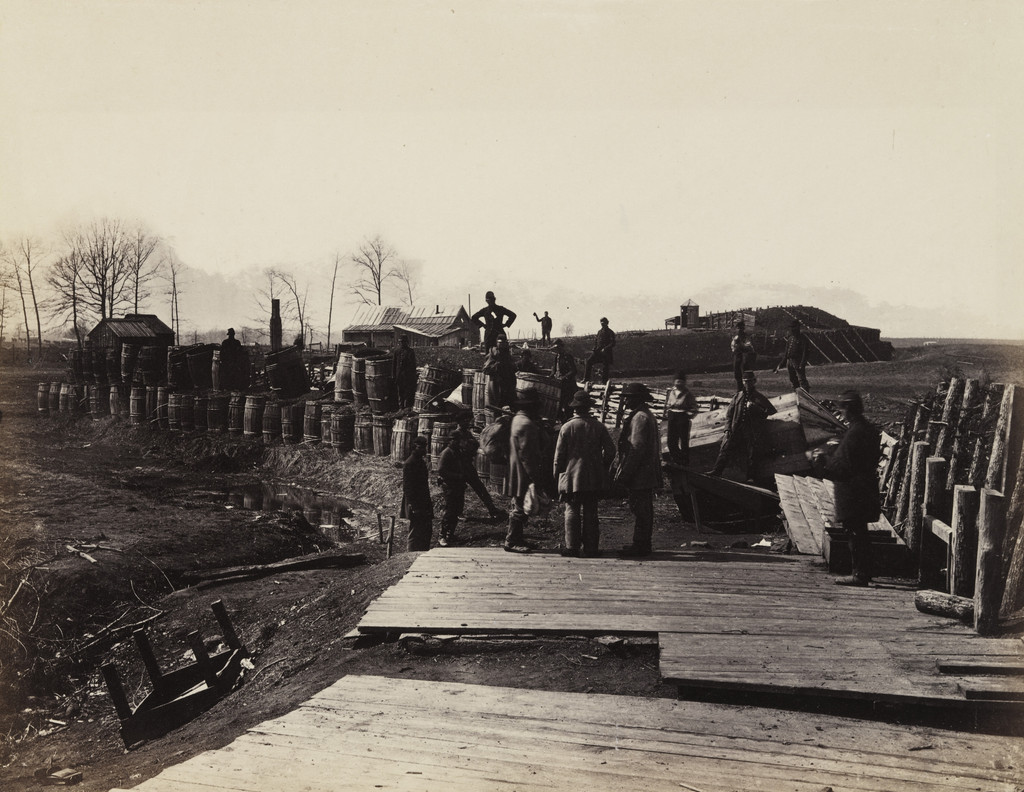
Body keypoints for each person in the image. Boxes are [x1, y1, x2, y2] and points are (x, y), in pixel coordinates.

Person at [812, 390, 881, 586]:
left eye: (841, 409)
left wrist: (823, 460)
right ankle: (864, 572)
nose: (840, 414)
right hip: (865, 488)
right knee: (861, 533)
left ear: (849, 409)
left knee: (855, 533)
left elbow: (844, 466)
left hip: (853, 491)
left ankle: (859, 574)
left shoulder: (854, 433)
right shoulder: (867, 430)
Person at [554, 390, 615, 557]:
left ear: (574, 409)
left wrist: (557, 475)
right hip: (593, 476)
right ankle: (591, 548)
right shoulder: (598, 426)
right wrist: (602, 465)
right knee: (591, 510)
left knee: (571, 509)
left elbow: (559, 456)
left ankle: (571, 547)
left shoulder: (566, 427)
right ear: (588, 408)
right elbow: (611, 450)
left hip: (572, 476)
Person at [613, 383, 663, 557]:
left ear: (637, 399)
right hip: (645, 471)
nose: (625, 401)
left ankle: (641, 545)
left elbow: (636, 448)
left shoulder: (640, 418)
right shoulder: (644, 415)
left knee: (641, 509)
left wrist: (626, 474)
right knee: (642, 508)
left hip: (640, 473)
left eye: (628, 397)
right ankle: (641, 542)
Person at [708, 371, 777, 483]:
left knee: (752, 453)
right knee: (725, 448)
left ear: (754, 382)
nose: (747, 384)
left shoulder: (759, 397)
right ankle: (717, 471)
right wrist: (727, 429)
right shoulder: (737, 397)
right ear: (743, 382)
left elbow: (771, 411)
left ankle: (751, 477)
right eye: (745, 382)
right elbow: (729, 415)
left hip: (751, 430)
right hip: (736, 429)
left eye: (750, 382)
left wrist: (756, 408)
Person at [506, 388, 546, 553]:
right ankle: (511, 541)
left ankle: (517, 538)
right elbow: (528, 456)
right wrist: (535, 477)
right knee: (520, 507)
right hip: (523, 472)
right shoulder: (527, 424)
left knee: (518, 503)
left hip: (515, 469)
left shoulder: (517, 419)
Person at [461, 431, 505, 522]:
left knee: (480, 488)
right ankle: (458, 513)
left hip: (468, 465)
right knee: (459, 492)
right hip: (460, 466)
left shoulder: (467, 433)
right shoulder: (458, 434)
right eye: (464, 420)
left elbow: (474, 445)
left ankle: (492, 509)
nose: (467, 422)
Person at [402, 435, 433, 552]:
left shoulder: (420, 462)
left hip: (423, 500)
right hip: (416, 503)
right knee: (415, 530)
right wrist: (413, 506)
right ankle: (411, 555)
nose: (423, 450)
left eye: (424, 447)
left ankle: (424, 552)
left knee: (426, 528)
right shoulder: (410, 463)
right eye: (421, 448)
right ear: (414, 448)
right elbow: (407, 487)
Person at [436, 428, 467, 547]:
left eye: (458, 440)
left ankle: (451, 534)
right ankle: (442, 535)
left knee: (457, 510)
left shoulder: (458, 452)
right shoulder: (447, 453)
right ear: (450, 441)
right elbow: (441, 470)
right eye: (455, 440)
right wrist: (458, 476)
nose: (457, 443)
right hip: (450, 486)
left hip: (458, 486)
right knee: (450, 511)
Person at [664, 371, 699, 465]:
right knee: (671, 441)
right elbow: (668, 404)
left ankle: (684, 462)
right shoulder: (671, 392)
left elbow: (694, 408)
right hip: (672, 417)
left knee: (683, 441)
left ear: (684, 382)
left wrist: (687, 415)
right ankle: (676, 460)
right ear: (674, 382)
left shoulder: (688, 394)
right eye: (677, 381)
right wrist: (669, 412)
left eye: (680, 381)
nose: (678, 383)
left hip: (682, 418)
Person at [481, 335, 517, 410]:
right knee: (497, 406)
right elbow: (485, 370)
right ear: (497, 343)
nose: (502, 345)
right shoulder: (493, 354)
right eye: (500, 343)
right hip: (496, 385)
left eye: (504, 343)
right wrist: (496, 365)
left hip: (508, 385)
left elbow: (513, 368)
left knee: (508, 406)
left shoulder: (508, 354)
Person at [776, 319, 810, 392]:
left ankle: (806, 396)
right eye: (791, 327)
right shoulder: (790, 339)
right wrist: (780, 364)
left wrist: (802, 364)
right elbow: (786, 354)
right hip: (789, 362)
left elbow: (805, 353)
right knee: (792, 379)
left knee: (802, 379)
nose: (792, 329)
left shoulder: (803, 338)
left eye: (794, 327)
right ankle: (797, 393)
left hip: (797, 361)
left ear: (798, 327)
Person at [550, 339, 578, 420]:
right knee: (558, 406)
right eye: (556, 348)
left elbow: (573, 370)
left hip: (568, 386)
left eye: (558, 348)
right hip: (560, 386)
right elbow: (554, 369)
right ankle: (563, 423)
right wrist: (551, 375)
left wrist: (564, 377)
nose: (557, 350)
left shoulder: (567, 356)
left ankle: (568, 423)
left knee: (568, 407)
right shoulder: (557, 357)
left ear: (562, 347)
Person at [584, 317, 616, 382]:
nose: (602, 324)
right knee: (588, 362)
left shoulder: (610, 332)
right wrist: (594, 348)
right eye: (601, 322)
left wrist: (605, 349)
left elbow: (613, 343)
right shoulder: (599, 332)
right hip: (598, 353)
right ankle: (586, 379)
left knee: (605, 367)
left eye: (604, 322)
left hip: (606, 354)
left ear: (607, 323)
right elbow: (596, 342)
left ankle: (604, 382)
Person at [392, 334, 418, 409]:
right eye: (401, 342)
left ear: (407, 342)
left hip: (407, 376)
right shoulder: (396, 352)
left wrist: (413, 376)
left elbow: (413, 365)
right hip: (399, 376)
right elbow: (394, 365)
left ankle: (406, 407)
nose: (402, 343)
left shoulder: (410, 352)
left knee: (407, 392)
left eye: (404, 342)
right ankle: (401, 407)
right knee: (400, 392)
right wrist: (393, 375)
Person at [730, 320, 756, 391]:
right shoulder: (735, 337)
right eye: (738, 328)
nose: (739, 330)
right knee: (737, 375)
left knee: (745, 376)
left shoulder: (746, 337)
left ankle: (746, 391)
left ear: (743, 328)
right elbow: (733, 347)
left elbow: (749, 347)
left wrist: (741, 345)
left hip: (744, 357)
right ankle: (739, 391)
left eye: (741, 328)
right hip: (737, 357)